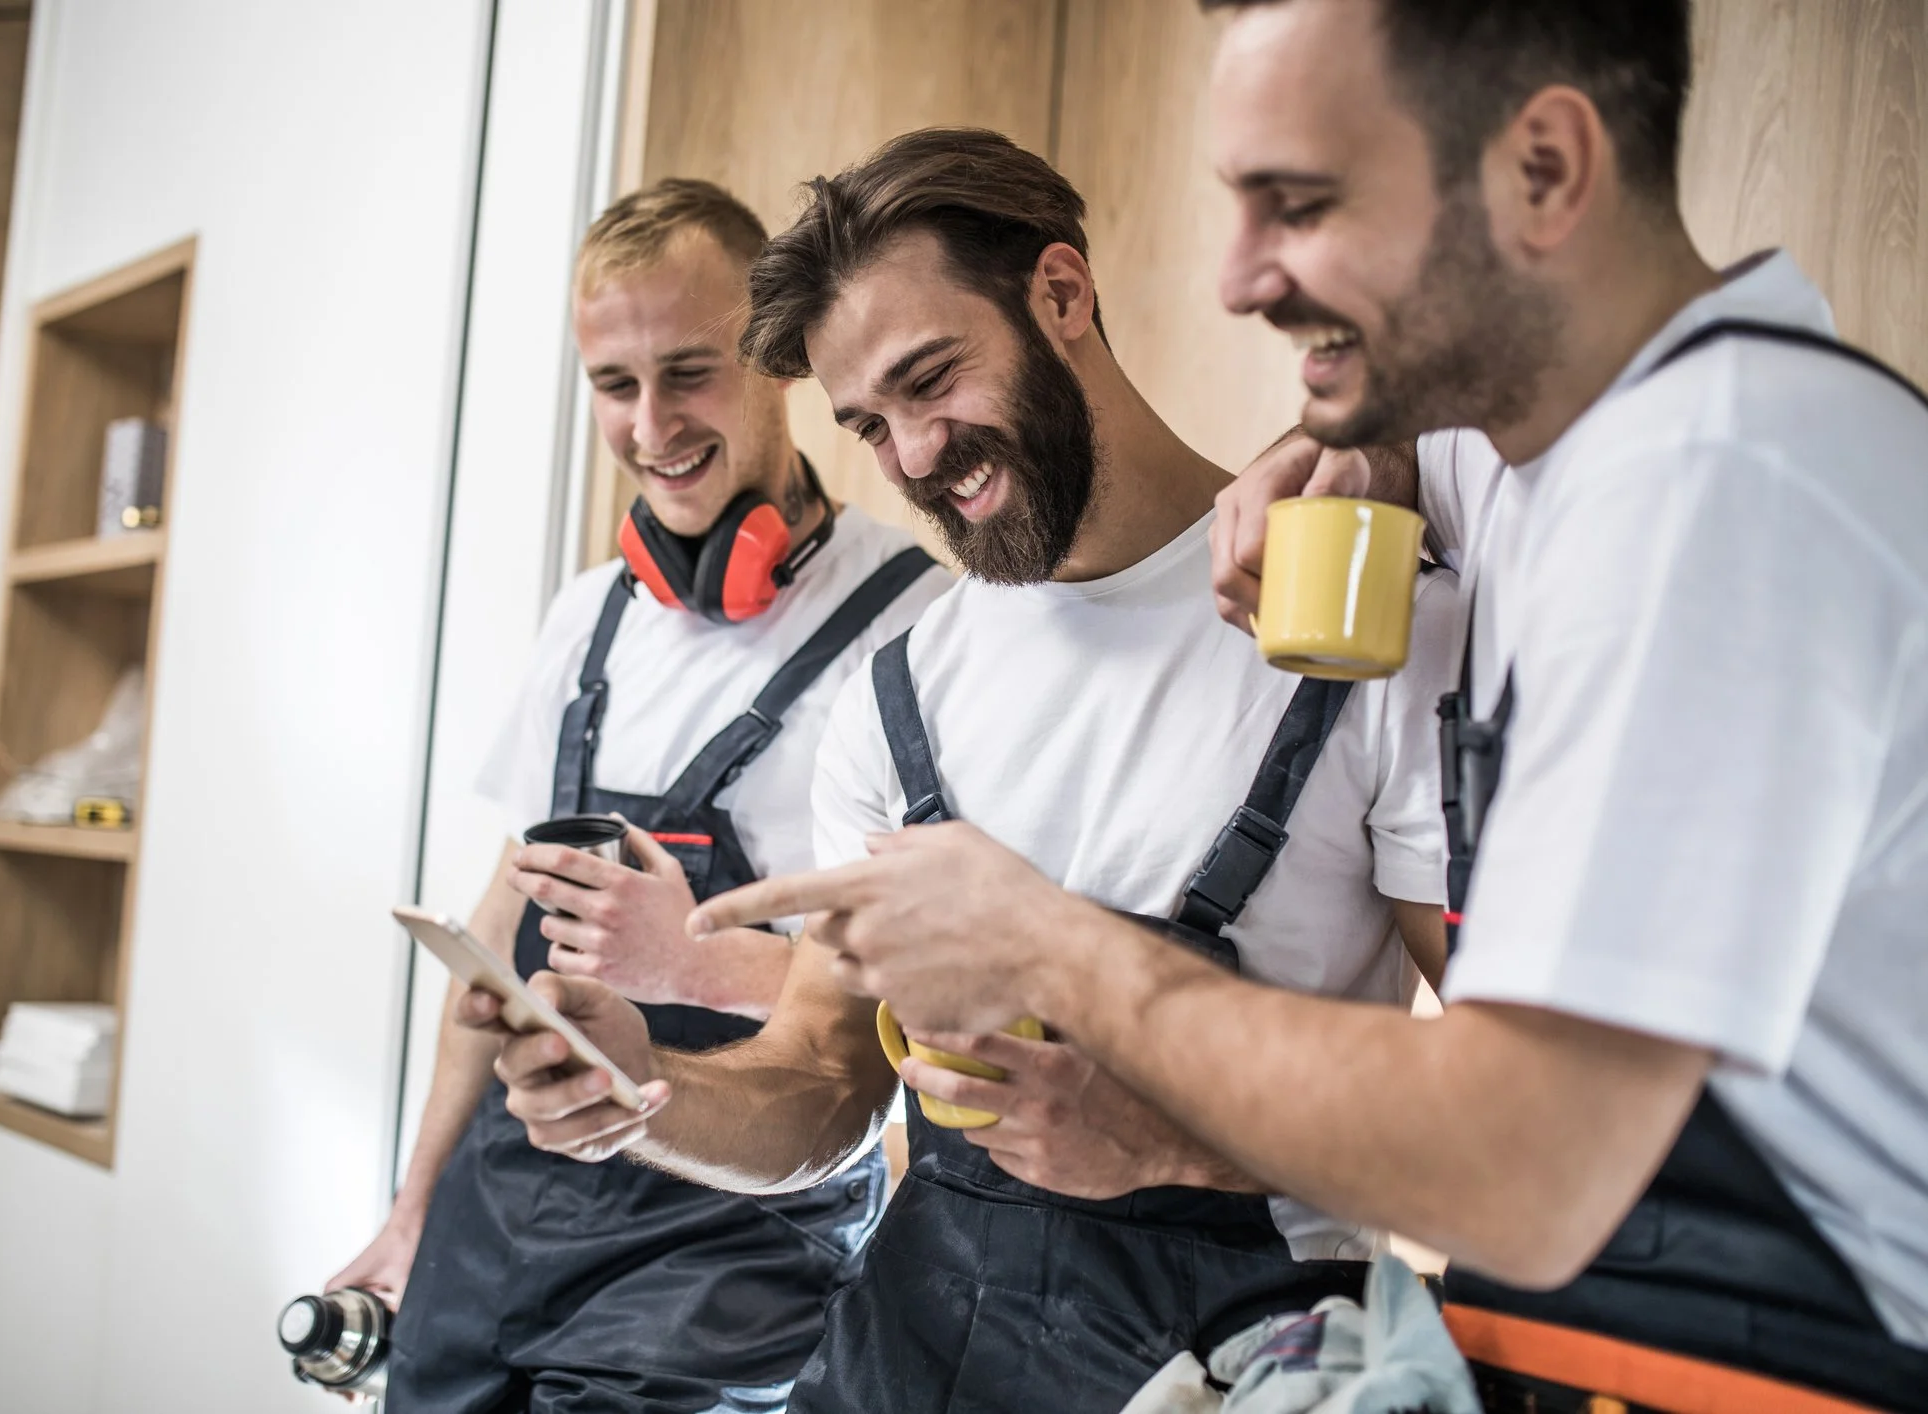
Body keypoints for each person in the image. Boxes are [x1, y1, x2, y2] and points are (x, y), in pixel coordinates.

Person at [689, 4, 1928, 1411]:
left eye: (1303, 203)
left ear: (1543, 170)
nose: (1233, 280)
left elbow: (1523, 1161)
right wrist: (1354, 428)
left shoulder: (1717, 494)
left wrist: (1042, 942)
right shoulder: (1542, 470)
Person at [469, 128, 1461, 1414]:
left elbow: (1524, 1122)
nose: (917, 456)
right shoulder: (901, 693)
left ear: (1061, 293)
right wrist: (644, 1093)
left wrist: (1182, 1142)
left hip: (1235, 1367)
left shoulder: (1358, 627)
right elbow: (824, 1077)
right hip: (906, 1359)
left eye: (933, 379)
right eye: (871, 425)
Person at [325, 178, 949, 1414]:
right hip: (500, 1217)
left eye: (689, 372)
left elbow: (908, 1025)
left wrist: (697, 960)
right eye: (616, 385)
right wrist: (412, 1212)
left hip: (728, 1245)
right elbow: (497, 937)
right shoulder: (587, 616)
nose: (651, 423)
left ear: (776, 359)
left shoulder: (920, 631)